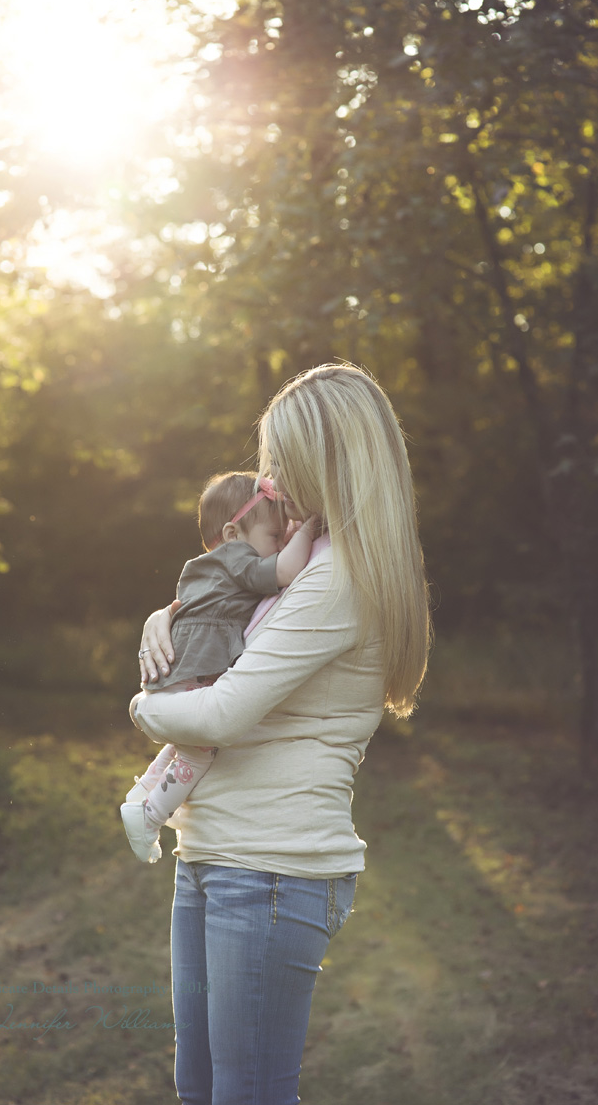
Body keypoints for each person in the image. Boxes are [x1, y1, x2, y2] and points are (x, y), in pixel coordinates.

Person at [130, 363, 431, 1105]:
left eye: (280, 462)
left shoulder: (338, 579)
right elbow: (225, 606)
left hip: (269, 869)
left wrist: (142, 705)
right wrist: (164, 617)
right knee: (199, 1089)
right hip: (213, 854)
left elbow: (223, 711)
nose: (268, 481)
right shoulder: (305, 564)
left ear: (325, 459)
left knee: (247, 1095)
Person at [121, 471, 317, 864]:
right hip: (198, 665)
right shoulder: (237, 557)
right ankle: (151, 816)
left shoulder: (211, 565)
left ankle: (142, 793)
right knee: (200, 753)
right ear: (231, 534)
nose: (281, 543)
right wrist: (309, 530)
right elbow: (284, 572)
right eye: (275, 537)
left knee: (185, 743)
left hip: (183, 665)